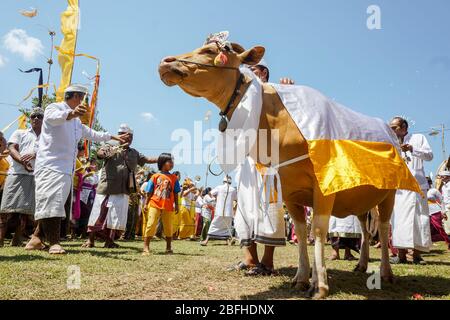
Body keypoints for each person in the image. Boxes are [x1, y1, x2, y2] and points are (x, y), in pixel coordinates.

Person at [25, 84, 127, 255]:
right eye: (81, 98)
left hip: (66, 169)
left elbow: (93, 134)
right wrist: (72, 113)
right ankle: (54, 243)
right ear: (75, 97)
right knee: (53, 203)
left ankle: (35, 239)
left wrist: (113, 137)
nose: (83, 102)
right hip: (51, 165)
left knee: (55, 204)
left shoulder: (77, 123)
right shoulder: (54, 107)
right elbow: (53, 118)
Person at [84, 124, 157, 248]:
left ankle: (109, 241)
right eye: (124, 136)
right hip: (107, 187)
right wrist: (107, 151)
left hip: (123, 189)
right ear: (119, 135)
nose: (127, 139)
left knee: (115, 216)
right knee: (98, 213)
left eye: (130, 137)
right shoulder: (110, 146)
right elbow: (100, 154)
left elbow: (147, 159)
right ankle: (90, 240)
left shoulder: (134, 153)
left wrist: (161, 159)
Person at [389, 117, 433, 264]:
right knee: (399, 220)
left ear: (403, 127)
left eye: (394, 127)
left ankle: (416, 255)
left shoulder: (418, 138)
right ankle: (400, 255)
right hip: (400, 187)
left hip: (417, 186)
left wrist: (412, 149)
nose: (392, 130)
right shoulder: (391, 142)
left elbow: (429, 156)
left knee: (419, 219)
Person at [0, 108, 42, 247]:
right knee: (6, 208)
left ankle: (17, 238)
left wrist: (35, 154)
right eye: (33, 116)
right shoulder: (20, 132)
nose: (36, 118)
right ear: (30, 119)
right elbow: (12, 148)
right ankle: (0, 238)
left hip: (36, 175)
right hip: (16, 173)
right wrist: (22, 161)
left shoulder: (48, 137)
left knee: (27, 211)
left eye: (39, 116)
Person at [143, 153, 181, 255]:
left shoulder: (174, 178)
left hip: (168, 205)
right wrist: (146, 204)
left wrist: (176, 205)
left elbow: (176, 192)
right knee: (151, 224)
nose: (172, 163)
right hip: (154, 203)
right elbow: (149, 192)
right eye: (170, 161)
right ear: (163, 163)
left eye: (172, 162)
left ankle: (168, 247)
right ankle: (146, 247)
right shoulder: (155, 176)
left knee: (168, 226)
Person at [201, 176, 236, 246]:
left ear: (223, 181)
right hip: (229, 212)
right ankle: (228, 241)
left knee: (214, 225)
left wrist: (216, 198)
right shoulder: (233, 189)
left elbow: (210, 193)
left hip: (220, 210)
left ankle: (206, 241)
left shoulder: (219, 187)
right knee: (227, 227)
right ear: (230, 182)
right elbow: (236, 198)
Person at [428, 176, 450, 249]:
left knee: (439, 227)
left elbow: (441, 201)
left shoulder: (434, 190)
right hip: (426, 212)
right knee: (428, 228)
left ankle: (448, 241)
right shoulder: (420, 191)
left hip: (435, 211)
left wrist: (443, 211)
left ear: (430, 183)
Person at [440, 171, 450, 235]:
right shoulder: (443, 187)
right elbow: (442, 200)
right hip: (446, 209)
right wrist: (442, 211)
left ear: (448, 177)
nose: (441, 177)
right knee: (447, 228)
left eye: (443, 175)